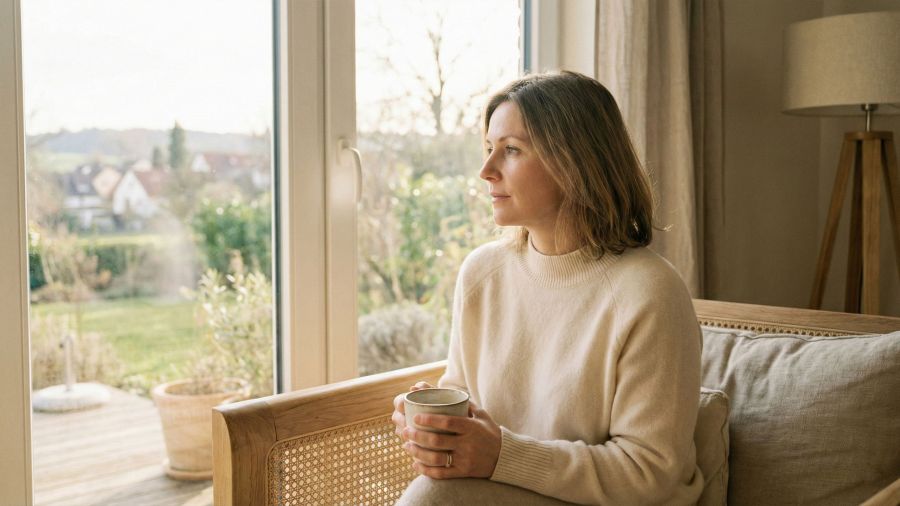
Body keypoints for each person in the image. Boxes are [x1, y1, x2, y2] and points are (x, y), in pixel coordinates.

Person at [391, 70, 704, 505]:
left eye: (511, 150)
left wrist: (502, 455)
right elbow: (468, 399)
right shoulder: (482, 274)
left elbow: (649, 471)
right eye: (488, 149)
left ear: (575, 161)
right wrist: (442, 427)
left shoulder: (649, 291)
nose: (486, 171)